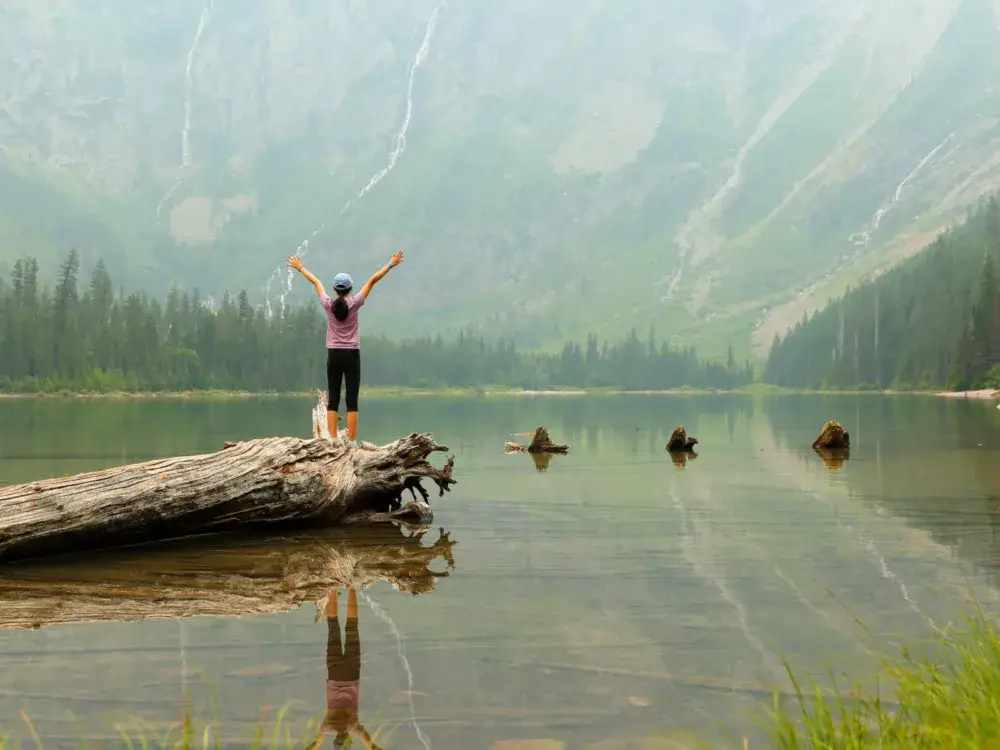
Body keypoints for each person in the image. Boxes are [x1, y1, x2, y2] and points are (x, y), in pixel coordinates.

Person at [287, 252, 404, 443]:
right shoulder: (355, 303)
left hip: (333, 354)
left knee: (333, 399)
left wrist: (300, 267)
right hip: (351, 355)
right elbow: (372, 280)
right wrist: (390, 265)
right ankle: (351, 442)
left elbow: (316, 282)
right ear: (350, 289)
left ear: (335, 289)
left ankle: (333, 440)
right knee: (352, 401)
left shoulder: (328, 304)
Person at [307, 587, 382, 749]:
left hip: (351, 674)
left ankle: (351, 587)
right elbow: (315, 744)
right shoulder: (329, 725)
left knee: (352, 628)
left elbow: (370, 745)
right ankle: (333, 588)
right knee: (333, 627)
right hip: (334, 675)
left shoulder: (353, 725)